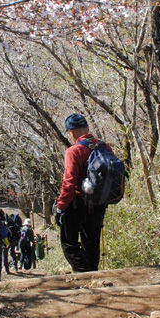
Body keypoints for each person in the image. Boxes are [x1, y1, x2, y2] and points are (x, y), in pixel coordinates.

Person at [54, 113, 109, 272]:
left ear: (71, 131)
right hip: (99, 202)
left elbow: (69, 182)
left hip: (77, 202)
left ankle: (83, 274)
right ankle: (93, 275)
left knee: (69, 243)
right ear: (87, 128)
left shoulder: (74, 150)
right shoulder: (104, 146)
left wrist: (61, 207)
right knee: (91, 243)